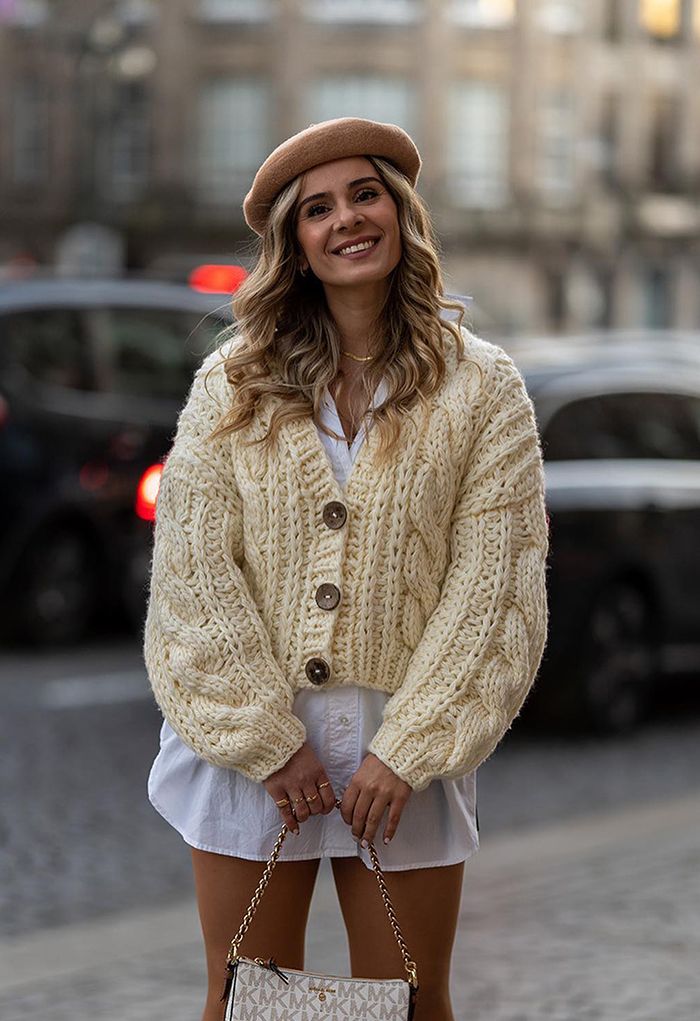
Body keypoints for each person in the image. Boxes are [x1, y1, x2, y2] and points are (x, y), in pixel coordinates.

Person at [144, 117, 549, 1021]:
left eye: (364, 194)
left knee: (409, 997)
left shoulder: (483, 388)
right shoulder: (232, 383)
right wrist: (264, 734)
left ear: (400, 212)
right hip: (255, 742)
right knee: (244, 996)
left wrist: (408, 750)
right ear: (296, 241)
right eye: (317, 209)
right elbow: (192, 576)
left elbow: (496, 587)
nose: (346, 220)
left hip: (404, 739)